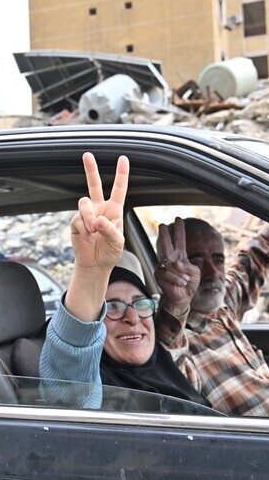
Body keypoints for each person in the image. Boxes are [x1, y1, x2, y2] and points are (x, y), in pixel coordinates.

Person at [39, 153, 210, 412]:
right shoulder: (97, 396)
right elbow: (71, 376)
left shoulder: (166, 368)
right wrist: (90, 272)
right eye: (112, 307)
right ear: (95, 328)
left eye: (140, 303)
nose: (133, 318)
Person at [153, 217, 269, 417]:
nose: (214, 273)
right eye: (196, 263)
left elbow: (254, 260)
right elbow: (168, 359)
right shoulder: (170, 338)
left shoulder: (223, 305)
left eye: (218, 260)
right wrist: (176, 303)